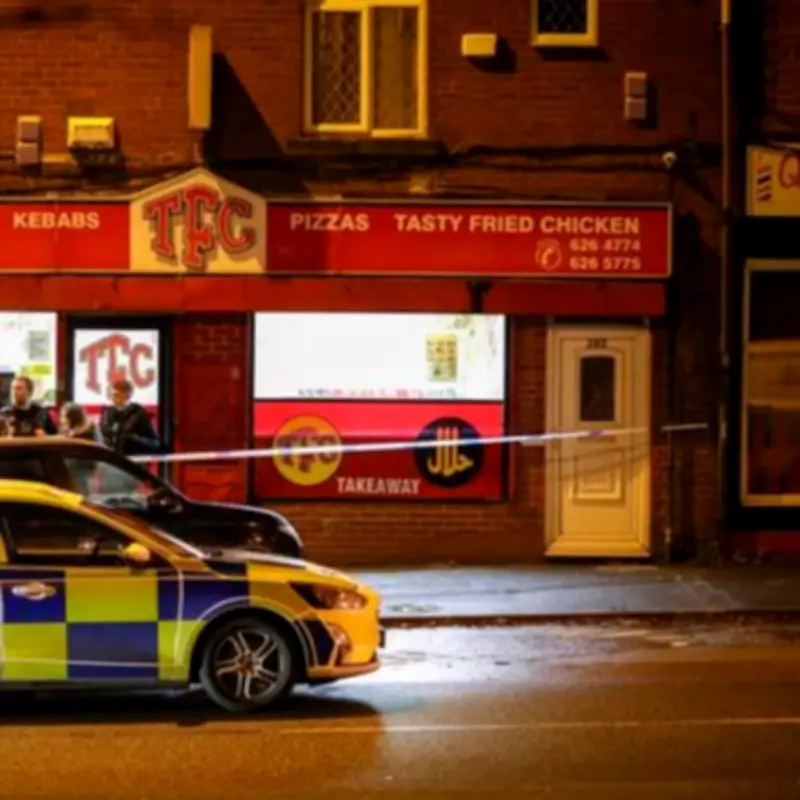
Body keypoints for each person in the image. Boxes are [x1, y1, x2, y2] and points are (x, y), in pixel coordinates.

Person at [99, 378, 160, 456]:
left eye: (117, 395)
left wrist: (134, 438)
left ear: (128, 396)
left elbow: (155, 443)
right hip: (112, 461)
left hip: (132, 461)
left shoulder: (139, 414)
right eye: (112, 395)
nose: (114, 399)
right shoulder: (107, 414)